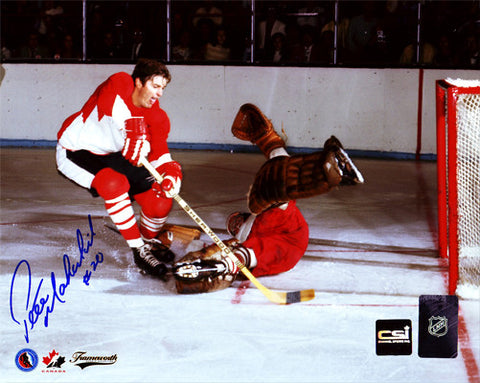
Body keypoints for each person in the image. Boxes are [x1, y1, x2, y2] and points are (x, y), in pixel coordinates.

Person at [173, 104, 364, 294]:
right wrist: (208, 263)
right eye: (235, 225)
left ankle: (285, 148)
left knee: (275, 181)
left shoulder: (255, 220)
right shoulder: (243, 240)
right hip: (287, 245)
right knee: (273, 190)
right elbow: (251, 252)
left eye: (237, 220)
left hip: (287, 226)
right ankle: (329, 170)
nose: (237, 224)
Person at [56, 59, 182, 279]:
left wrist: (172, 176)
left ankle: (148, 241)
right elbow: (108, 102)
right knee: (115, 184)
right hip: (76, 149)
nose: (160, 93)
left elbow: (161, 154)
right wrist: (131, 126)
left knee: (161, 199)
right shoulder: (121, 81)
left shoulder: (158, 117)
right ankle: (138, 250)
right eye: (155, 86)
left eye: (163, 88)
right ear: (139, 82)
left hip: (114, 154)